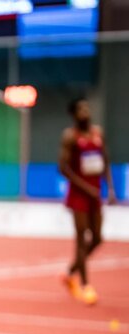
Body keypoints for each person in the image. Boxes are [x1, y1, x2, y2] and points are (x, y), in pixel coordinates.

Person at [59, 97, 117, 306]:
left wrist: (109, 188)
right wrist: (85, 187)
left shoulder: (97, 133)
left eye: (87, 108)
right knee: (81, 238)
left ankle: (71, 271)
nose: (85, 112)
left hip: (96, 193)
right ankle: (85, 285)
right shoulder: (70, 137)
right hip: (79, 194)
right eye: (81, 109)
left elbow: (105, 161)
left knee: (98, 238)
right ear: (74, 114)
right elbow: (63, 167)